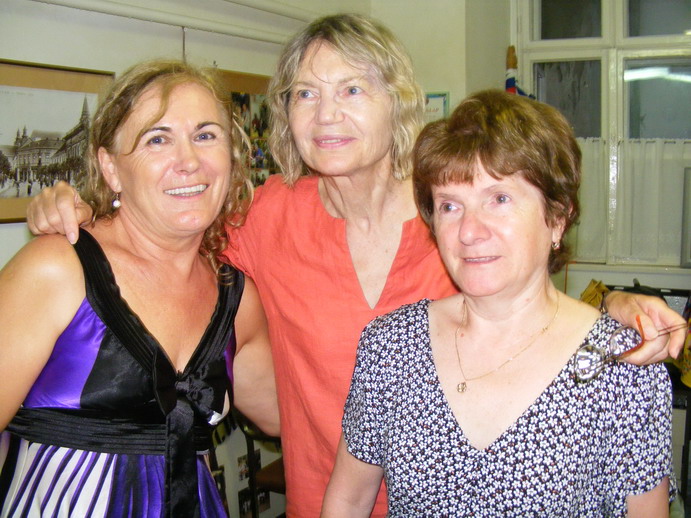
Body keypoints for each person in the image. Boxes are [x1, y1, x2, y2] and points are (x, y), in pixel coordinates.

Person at [25, 14, 686, 517]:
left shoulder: (454, 210)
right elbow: (161, 251)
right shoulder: (266, 216)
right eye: (304, 94)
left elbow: (532, 302)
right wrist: (82, 210)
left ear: (395, 101)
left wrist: (615, 310)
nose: (327, 114)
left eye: (350, 88)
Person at [321, 90, 676, 517]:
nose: (469, 231)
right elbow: (348, 500)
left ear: (557, 217)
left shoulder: (622, 366)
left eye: (499, 199)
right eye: (450, 206)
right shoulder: (391, 348)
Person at [0, 60, 277, 517]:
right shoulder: (59, 269)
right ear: (110, 169)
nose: (189, 161)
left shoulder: (237, 299)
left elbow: (287, 416)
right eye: (157, 139)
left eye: (206, 135)